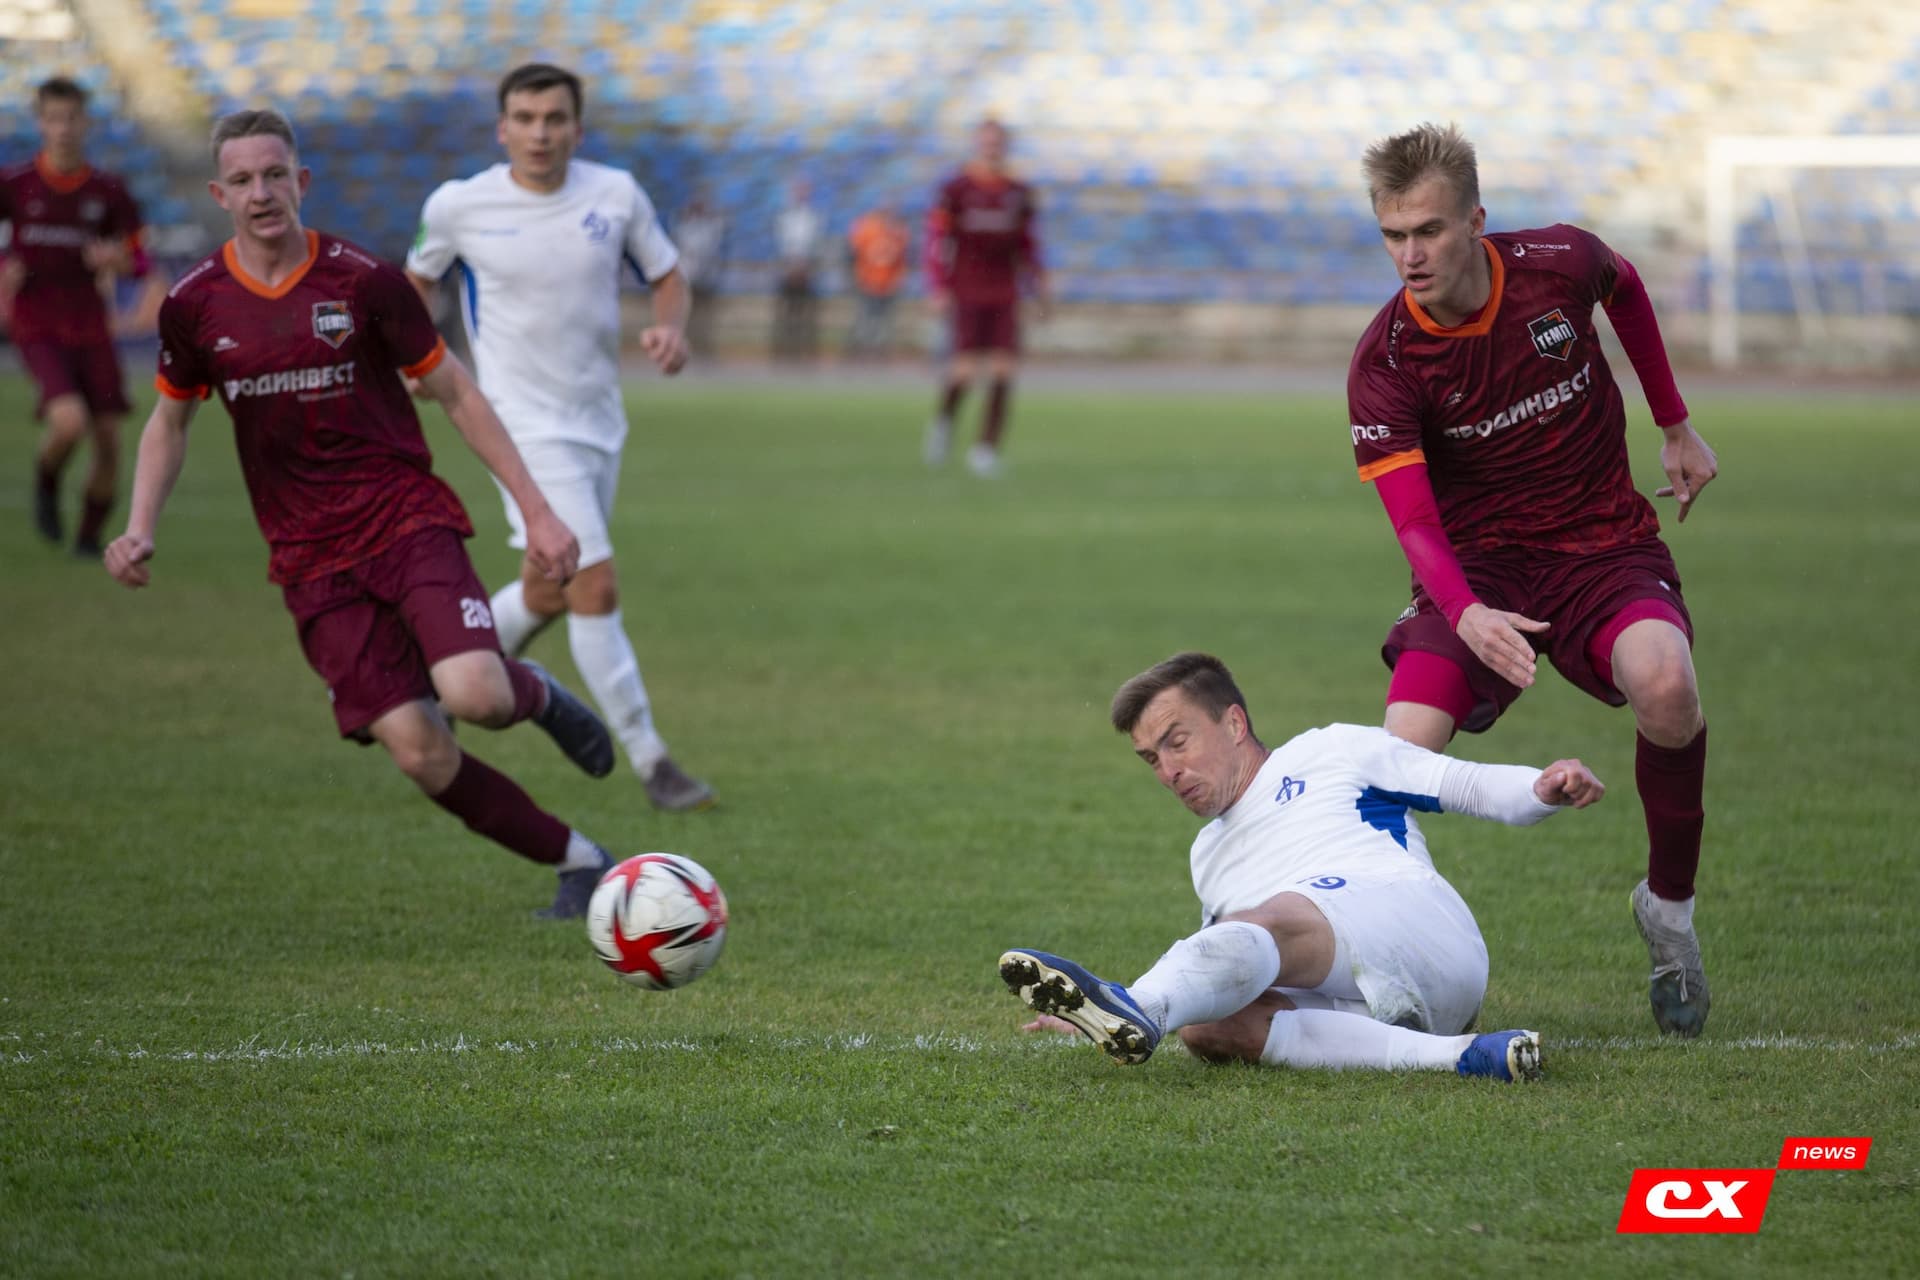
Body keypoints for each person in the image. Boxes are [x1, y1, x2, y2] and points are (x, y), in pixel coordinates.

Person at [106, 108, 622, 920]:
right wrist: (141, 527)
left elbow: (454, 389)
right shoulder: (195, 304)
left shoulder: (363, 281)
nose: (262, 191)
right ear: (219, 194)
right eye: (242, 180)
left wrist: (541, 512)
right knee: (420, 750)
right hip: (311, 560)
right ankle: (582, 862)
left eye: (276, 173)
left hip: (403, 518)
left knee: (478, 695)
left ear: (301, 181)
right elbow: (169, 422)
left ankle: (538, 695)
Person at [1344, 123, 1718, 1037]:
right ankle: (1388, 958)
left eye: (1427, 230)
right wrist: (1465, 612)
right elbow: (1414, 521)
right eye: (1393, 235)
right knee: (1401, 751)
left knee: (1667, 686)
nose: (1410, 254)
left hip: (1601, 543)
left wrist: (1674, 422)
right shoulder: (1385, 362)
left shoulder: (1559, 262)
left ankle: (1668, 912)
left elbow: (1624, 287)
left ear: (1476, 219)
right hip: (1478, 566)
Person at [1002, 652, 1606, 1080]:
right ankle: (1461, 1057)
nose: (1167, 771)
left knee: (1271, 917)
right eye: (1150, 759)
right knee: (1207, 1027)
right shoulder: (1206, 855)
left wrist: (1542, 787)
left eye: (1176, 741)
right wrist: (1105, 1016)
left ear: (1234, 723)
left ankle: (1141, 1007)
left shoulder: (1331, 750)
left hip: (1425, 934)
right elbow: (1229, 961)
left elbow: (1464, 785)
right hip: (1371, 1006)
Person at [405, 62, 713, 812]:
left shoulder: (616, 193)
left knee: (548, 586)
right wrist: (413, 355)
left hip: (598, 422)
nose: (540, 133)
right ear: (502, 127)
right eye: (525, 117)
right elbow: (417, 279)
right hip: (518, 425)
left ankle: (432, 691)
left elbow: (668, 274)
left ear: (577, 126)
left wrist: (669, 329)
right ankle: (653, 760)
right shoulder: (460, 205)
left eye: (554, 119)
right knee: (593, 583)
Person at [0, 76, 166, 556]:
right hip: (37, 323)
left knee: (110, 440)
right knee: (69, 422)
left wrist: (118, 263)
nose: (63, 128)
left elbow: (139, 258)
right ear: (40, 123)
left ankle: (89, 540)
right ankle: (47, 481)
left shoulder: (109, 191)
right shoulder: (14, 184)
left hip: (90, 324)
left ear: (85, 122)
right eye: (53, 118)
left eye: (71, 118)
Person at [922, 118, 1049, 477]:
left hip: (1004, 290)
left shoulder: (1018, 192)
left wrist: (1038, 288)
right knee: (963, 372)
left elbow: (1028, 245)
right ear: (978, 144)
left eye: (998, 142)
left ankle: (985, 449)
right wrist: (938, 286)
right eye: (986, 142)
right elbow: (937, 240)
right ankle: (944, 421)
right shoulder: (955, 189)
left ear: (1006, 146)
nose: (992, 148)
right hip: (966, 288)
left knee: (1003, 370)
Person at [845, 201, 909, 359]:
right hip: (868, 280)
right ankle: (862, 351)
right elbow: (853, 254)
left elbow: (903, 259)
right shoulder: (866, 228)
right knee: (867, 318)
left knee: (884, 320)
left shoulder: (899, 231)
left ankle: (880, 352)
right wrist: (859, 277)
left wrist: (898, 279)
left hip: (888, 282)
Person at [674, 185, 727, 360]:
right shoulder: (685, 224)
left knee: (705, 316)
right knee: (686, 314)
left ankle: (704, 350)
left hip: (706, 276)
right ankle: (684, 348)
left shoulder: (711, 225)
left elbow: (714, 243)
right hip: (689, 276)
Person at [771, 177, 821, 361]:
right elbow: (780, 246)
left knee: (806, 316)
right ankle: (782, 354)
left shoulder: (814, 217)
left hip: (806, 273)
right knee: (785, 315)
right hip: (787, 272)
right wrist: (790, 266)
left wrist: (804, 267)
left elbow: (815, 246)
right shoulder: (783, 217)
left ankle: (804, 354)